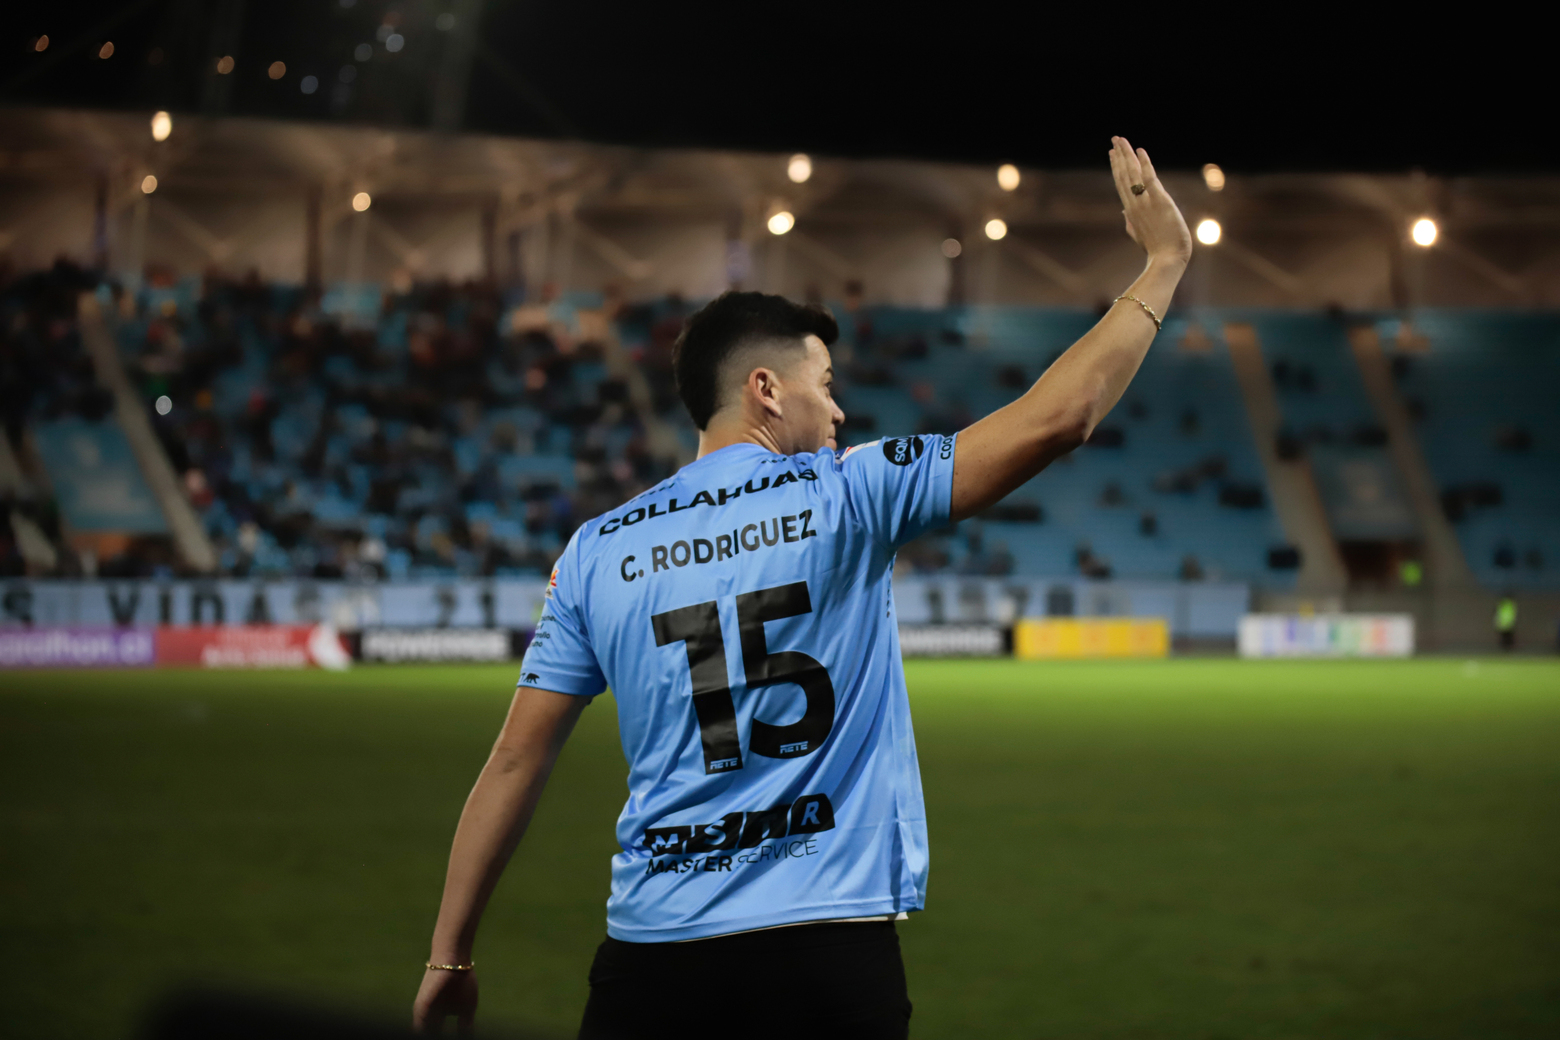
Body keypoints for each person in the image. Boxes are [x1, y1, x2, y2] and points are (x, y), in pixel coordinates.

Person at [412, 137, 1192, 1039]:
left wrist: (449, 956)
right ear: (767, 390)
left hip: (650, 961)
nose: (840, 409)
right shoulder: (850, 491)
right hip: (824, 951)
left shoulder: (595, 551)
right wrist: (1164, 263)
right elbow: (1060, 417)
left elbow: (516, 760)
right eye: (826, 384)